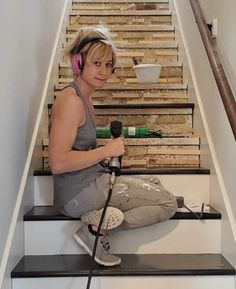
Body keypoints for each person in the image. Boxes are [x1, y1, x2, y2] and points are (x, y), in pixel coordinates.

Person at [49, 25, 178, 267]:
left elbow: (78, 152)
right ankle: (96, 232)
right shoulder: (71, 102)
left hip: (86, 182)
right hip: (77, 195)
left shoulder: (86, 99)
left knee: (154, 183)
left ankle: (101, 222)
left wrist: (103, 158)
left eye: (108, 65)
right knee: (167, 203)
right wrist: (107, 151)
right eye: (97, 63)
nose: (104, 71)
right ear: (78, 63)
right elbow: (58, 162)